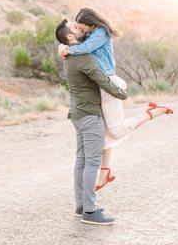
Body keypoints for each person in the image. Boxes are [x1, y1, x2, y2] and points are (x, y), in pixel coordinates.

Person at [58, 8, 173, 191]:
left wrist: (67, 48)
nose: (81, 29)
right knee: (104, 132)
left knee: (117, 131)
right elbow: (80, 45)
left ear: (91, 23)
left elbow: (85, 49)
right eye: (77, 27)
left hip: (108, 81)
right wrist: (64, 46)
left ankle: (151, 113)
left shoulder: (100, 32)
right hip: (100, 84)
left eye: (81, 26)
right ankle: (105, 171)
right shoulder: (90, 34)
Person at [55, 18, 128, 225]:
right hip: (90, 115)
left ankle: (81, 206)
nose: (79, 29)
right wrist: (121, 94)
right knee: (92, 162)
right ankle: (90, 211)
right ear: (70, 37)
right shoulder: (82, 56)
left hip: (78, 113)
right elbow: (102, 79)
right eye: (75, 28)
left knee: (82, 161)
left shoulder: (69, 55)